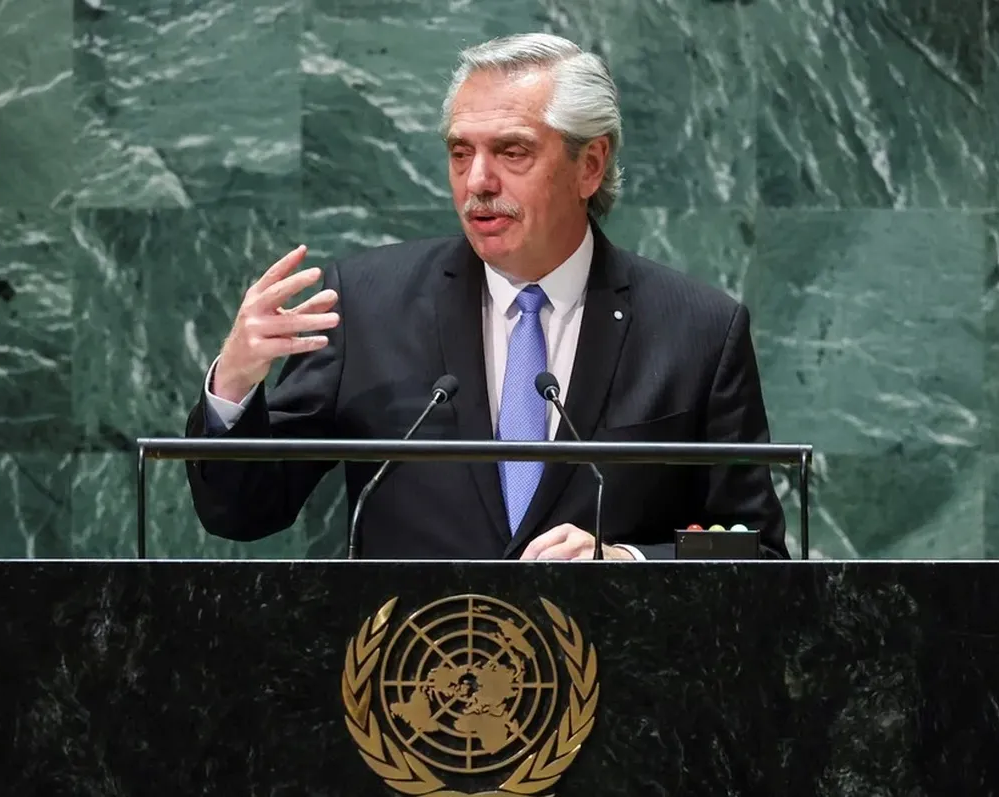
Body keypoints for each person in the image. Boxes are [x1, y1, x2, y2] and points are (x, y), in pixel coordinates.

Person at [183, 33, 787, 560]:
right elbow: (243, 513)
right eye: (460, 152)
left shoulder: (698, 331)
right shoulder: (366, 306)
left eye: (512, 151)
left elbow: (754, 549)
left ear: (591, 165)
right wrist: (234, 384)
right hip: (408, 675)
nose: (478, 182)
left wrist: (626, 559)